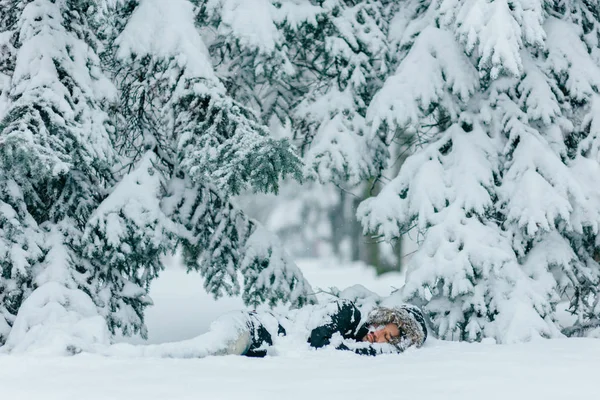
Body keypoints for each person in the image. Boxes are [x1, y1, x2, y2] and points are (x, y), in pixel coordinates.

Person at [238, 299, 428, 357]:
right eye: (383, 331)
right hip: (252, 326)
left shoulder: (355, 341)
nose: (377, 336)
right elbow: (320, 342)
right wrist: (373, 350)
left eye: (386, 340)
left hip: (255, 346)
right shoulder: (347, 312)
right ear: (380, 320)